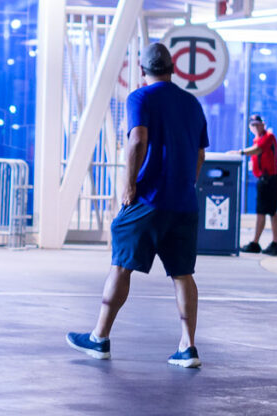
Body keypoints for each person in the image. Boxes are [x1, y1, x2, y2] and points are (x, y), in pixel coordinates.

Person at [66, 42, 209, 368]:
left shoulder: (140, 97)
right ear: (173, 70)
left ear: (142, 72)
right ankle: (188, 348)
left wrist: (129, 185)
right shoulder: (192, 104)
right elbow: (199, 154)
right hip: (184, 204)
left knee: (121, 264)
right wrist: (186, 183)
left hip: (148, 199)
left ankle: (99, 338)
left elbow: (138, 139)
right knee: (183, 274)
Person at [238, 113, 277, 256]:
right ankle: (257, 242)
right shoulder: (258, 139)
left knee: (270, 211)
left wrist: (240, 152)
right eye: (253, 125)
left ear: (263, 125)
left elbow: (257, 150)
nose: (255, 127)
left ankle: (272, 243)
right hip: (264, 179)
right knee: (263, 212)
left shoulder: (268, 137)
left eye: (257, 124)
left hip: (269, 179)